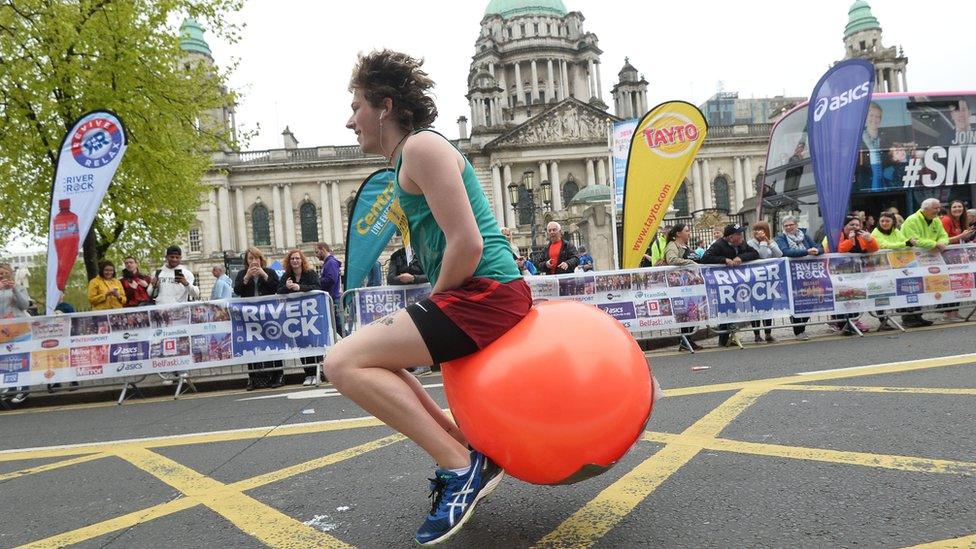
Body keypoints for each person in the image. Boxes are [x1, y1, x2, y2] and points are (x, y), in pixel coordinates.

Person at [326, 49, 532, 545]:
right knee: (373, 360)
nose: (349, 119)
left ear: (385, 107)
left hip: (489, 292)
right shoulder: (407, 161)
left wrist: (432, 302)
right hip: (478, 292)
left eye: (356, 106)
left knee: (341, 363)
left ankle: (460, 465)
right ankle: (463, 446)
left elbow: (469, 242)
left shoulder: (423, 149)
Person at [700, 224, 760, 347]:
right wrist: (724, 260)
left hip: (739, 283)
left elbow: (755, 254)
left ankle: (731, 337)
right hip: (723, 284)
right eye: (738, 234)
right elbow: (705, 258)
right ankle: (723, 340)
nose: (741, 236)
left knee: (735, 310)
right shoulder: (718, 244)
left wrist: (740, 257)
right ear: (730, 237)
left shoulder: (742, 243)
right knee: (726, 310)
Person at [234, 247, 282, 390]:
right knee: (251, 346)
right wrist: (247, 277)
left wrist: (264, 275)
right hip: (250, 317)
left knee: (274, 344)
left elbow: (277, 288)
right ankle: (253, 378)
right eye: (251, 259)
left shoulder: (270, 272)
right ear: (246, 261)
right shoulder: (242, 273)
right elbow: (237, 290)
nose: (254, 262)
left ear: (261, 260)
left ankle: (277, 375)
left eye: (256, 258)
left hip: (268, 315)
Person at [824, 214, 879, 334]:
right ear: (844, 226)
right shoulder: (837, 235)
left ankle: (854, 320)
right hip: (839, 274)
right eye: (851, 224)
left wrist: (870, 239)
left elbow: (874, 249)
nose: (855, 227)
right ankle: (843, 323)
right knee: (843, 297)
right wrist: (850, 240)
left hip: (858, 273)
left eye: (857, 225)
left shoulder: (862, 235)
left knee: (856, 296)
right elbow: (839, 250)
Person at [900, 198, 950, 327]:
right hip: (910, 259)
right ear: (925, 209)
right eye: (935, 208)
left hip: (928, 258)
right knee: (911, 287)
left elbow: (943, 235)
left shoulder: (936, 220)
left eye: (939, 208)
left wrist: (942, 243)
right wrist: (935, 244)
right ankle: (909, 317)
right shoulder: (912, 220)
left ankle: (917, 315)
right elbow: (915, 240)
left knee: (922, 287)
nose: (938, 211)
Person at [278, 249, 323, 386]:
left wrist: (299, 287)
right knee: (301, 345)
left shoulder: (310, 273)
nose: (295, 261)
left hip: (310, 314)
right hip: (295, 316)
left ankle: (317, 372)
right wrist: (286, 287)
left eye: (297, 258)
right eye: (292, 259)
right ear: (289, 261)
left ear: (302, 260)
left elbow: (317, 286)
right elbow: (278, 291)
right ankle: (308, 374)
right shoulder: (287, 276)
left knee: (313, 343)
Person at [774, 216, 821, 340]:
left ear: (796, 225)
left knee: (810, 302)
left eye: (791, 225)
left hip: (808, 274)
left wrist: (817, 250)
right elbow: (786, 251)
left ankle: (802, 326)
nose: (789, 227)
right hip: (790, 275)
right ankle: (799, 331)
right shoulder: (780, 238)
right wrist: (807, 252)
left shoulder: (804, 236)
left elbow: (817, 246)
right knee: (797, 303)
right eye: (786, 226)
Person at [872, 212, 917, 330]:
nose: (884, 223)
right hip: (880, 267)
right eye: (882, 221)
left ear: (893, 222)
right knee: (882, 294)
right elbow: (884, 245)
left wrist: (910, 242)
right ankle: (883, 321)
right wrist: (905, 243)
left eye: (887, 221)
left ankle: (909, 317)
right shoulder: (875, 233)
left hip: (897, 267)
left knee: (901, 290)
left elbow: (906, 243)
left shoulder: (896, 232)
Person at [663, 223, 702, 351]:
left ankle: (688, 340)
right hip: (680, 285)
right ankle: (685, 340)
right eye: (686, 230)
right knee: (685, 311)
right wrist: (690, 263)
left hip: (690, 284)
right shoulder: (672, 246)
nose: (689, 232)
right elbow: (672, 259)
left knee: (691, 311)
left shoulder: (684, 246)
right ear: (678, 233)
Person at [746, 221, 783, 344]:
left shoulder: (771, 241)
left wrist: (769, 243)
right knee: (755, 307)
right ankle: (757, 334)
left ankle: (768, 333)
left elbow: (779, 254)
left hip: (769, 279)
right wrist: (762, 242)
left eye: (761, 229)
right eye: (756, 230)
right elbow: (761, 256)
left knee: (768, 306)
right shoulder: (750, 244)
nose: (758, 232)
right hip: (755, 280)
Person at [0, 263, 31, 404]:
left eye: (5, 273)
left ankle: (24, 388)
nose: (3, 276)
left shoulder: (20, 287)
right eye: (0, 274)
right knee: (7, 362)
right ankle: (11, 388)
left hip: (20, 331)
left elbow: (25, 305)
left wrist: (15, 290)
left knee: (22, 360)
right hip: (3, 332)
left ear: (11, 274)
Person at [315, 242, 343, 337]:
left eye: (317, 252)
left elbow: (331, 280)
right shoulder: (329, 263)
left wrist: (317, 281)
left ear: (323, 249)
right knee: (337, 325)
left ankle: (352, 343)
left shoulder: (330, 263)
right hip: (332, 298)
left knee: (338, 326)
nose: (316, 255)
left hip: (333, 298)